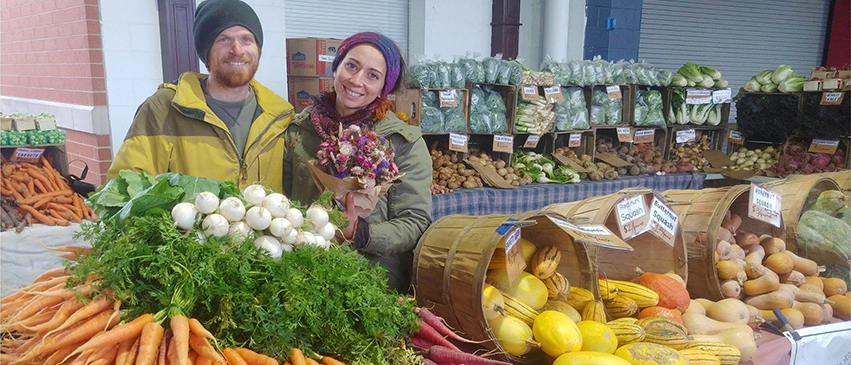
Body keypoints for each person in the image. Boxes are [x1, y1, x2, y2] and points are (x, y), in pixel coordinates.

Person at [283, 32, 432, 293]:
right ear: (336, 67)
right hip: (302, 276)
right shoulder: (298, 130)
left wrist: (360, 233)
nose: (356, 80)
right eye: (351, 65)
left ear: (384, 87)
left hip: (370, 286)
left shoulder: (402, 142)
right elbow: (282, 198)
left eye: (373, 75)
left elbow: (415, 222)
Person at [108, 0, 293, 192]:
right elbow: (127, 185)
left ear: (258, 49)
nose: (237, 50)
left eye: (247, 39)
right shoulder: (164, 109)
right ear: (206, 52)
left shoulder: (279, 115)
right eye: (224, 39)